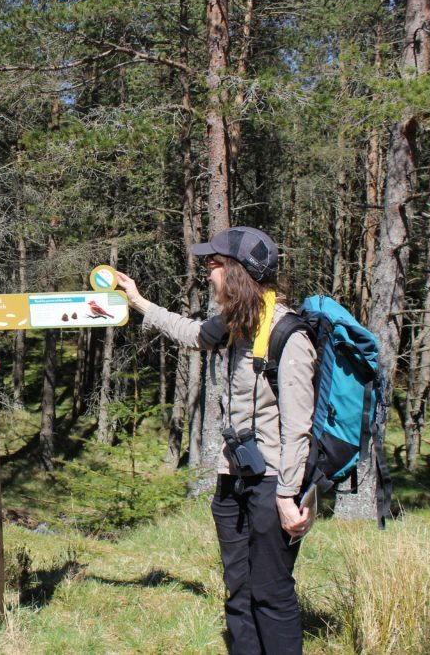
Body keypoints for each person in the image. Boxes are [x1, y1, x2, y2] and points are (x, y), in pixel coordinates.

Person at [116, 227, 316, 655]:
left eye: (214, 264)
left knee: (271, 594)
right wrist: (138, 301)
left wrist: (287, 495)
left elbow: (299, 426)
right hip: (233, 477)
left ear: (238, 272)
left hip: (272, 484)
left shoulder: (289, 336)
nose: (208, 274)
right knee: (238, 590)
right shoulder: (237, 322)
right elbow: (191, 334)